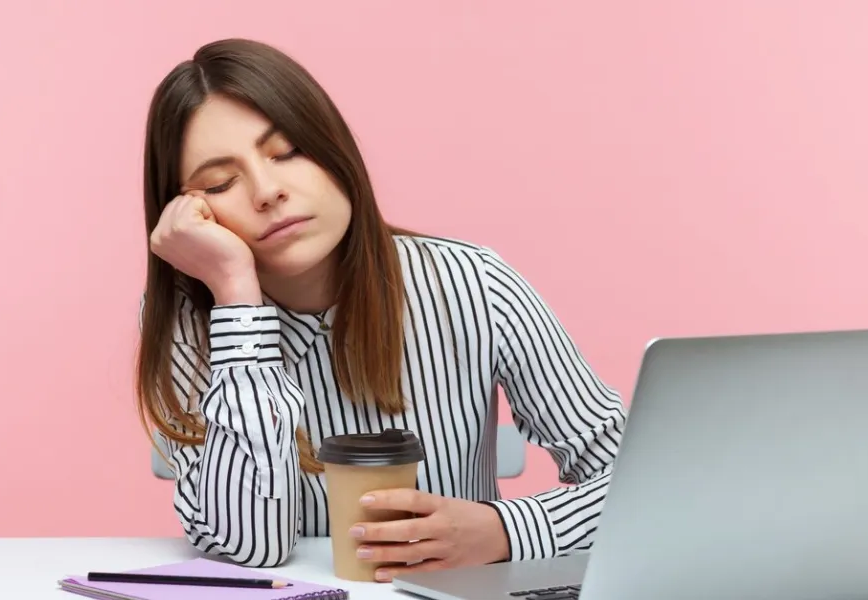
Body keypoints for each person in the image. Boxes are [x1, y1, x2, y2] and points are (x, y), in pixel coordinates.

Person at [135, 38, 627, 580]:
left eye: (288, 152)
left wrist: (504, 531)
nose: (267, 191)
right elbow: (249, 548)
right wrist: (236, 297)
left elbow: (643, 481)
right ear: (186, 212)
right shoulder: (192, 322)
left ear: (333, 148)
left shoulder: (473, 284)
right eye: (220, 183)